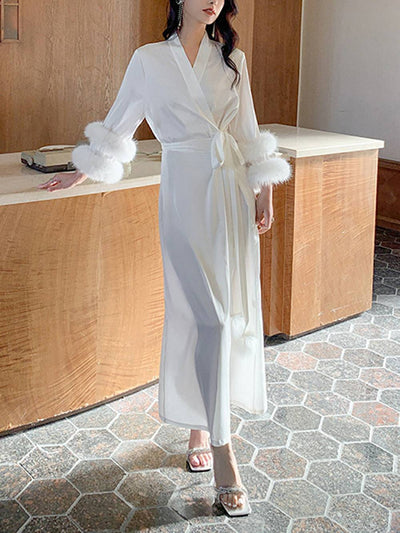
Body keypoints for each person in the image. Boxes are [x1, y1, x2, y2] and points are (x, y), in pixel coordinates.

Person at [37, 0, 292, 517]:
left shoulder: (232, 59)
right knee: (208, 318)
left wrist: (264, 188)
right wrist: (80, 170)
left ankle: (200, 426)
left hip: (229, 196)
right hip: (183, 197)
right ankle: (223, 451)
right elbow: (118, 125)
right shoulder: (149, 60)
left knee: (216, 319)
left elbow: (246, 129)